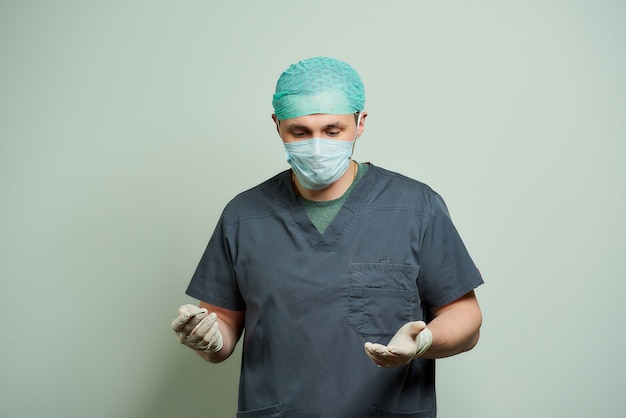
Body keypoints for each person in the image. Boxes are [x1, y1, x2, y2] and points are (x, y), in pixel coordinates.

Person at [171, 56, 483, 417]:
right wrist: (206, 339)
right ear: (277, 125)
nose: (317, 146)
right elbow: (221, 326)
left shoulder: (415, 207)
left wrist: (424, 341)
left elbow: (465, 317)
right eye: (300, 132)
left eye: (333, 131)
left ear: (360, 122)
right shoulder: (244, 216)